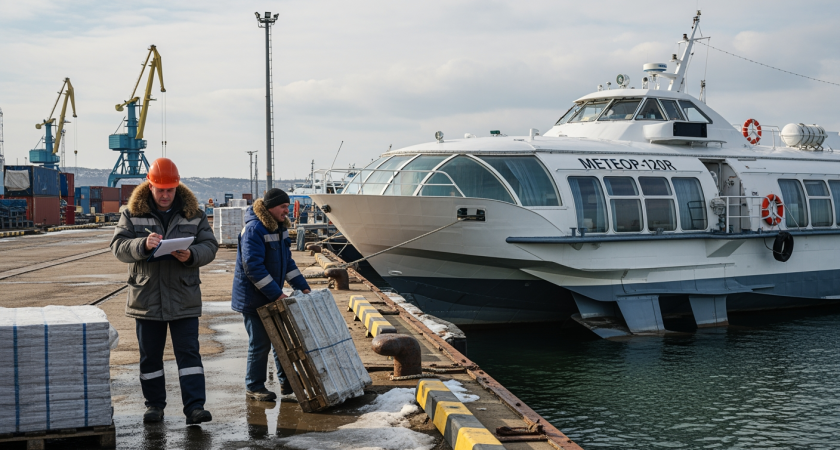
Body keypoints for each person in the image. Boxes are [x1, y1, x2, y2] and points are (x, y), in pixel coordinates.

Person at [110, 158, 219, 425]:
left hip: (183, 295)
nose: (166, 195)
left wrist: (191, 254)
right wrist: (142, 245)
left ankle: (195, 407)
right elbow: (118, 246)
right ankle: (154, 406)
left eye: (170, 190)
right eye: (161, 190)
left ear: (176, 186)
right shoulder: (131, 213)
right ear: (150, 186)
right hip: (147, 298)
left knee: (189, 355)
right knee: (150, 357)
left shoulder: (194, 213)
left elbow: (210, 246)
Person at [231, 188, 311, 401]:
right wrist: (277, 295)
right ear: (270, 208)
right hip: (253, 298)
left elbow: (287, 263)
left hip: (270, 296)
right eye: (283, 207)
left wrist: (302, 286)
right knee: (260, 344)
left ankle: (287, 383)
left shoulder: (280, 228)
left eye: (287, 206)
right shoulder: (254, 229)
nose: (287, 210)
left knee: (281, 342)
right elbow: (253, 267)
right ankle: (254, 386)